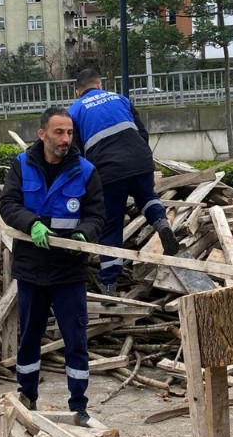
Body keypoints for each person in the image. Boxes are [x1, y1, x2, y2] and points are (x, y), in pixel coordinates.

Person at [0, 107, 106, 426]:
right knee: (29, 335)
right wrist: (31, 224)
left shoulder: (85, 171)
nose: (65, 139)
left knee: (76, 339)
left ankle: (79, 405)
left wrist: (85, 232)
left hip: (68, 269)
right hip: (31, 267)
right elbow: (8, 205)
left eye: (70, 133)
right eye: (59, 132)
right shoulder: (22, 165)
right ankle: (27, 396)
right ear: (42, 133)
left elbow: (98, 214)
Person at [67, 66, 180, 294]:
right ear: (99, 85)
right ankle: (161, 223)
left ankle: (108, 280)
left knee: (111, 223)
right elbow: (143, 132)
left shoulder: (74, 110)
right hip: (139, 158)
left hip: (107, 169)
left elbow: (75, 150)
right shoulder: (121, 99)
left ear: (78, 91)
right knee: (147, 196)